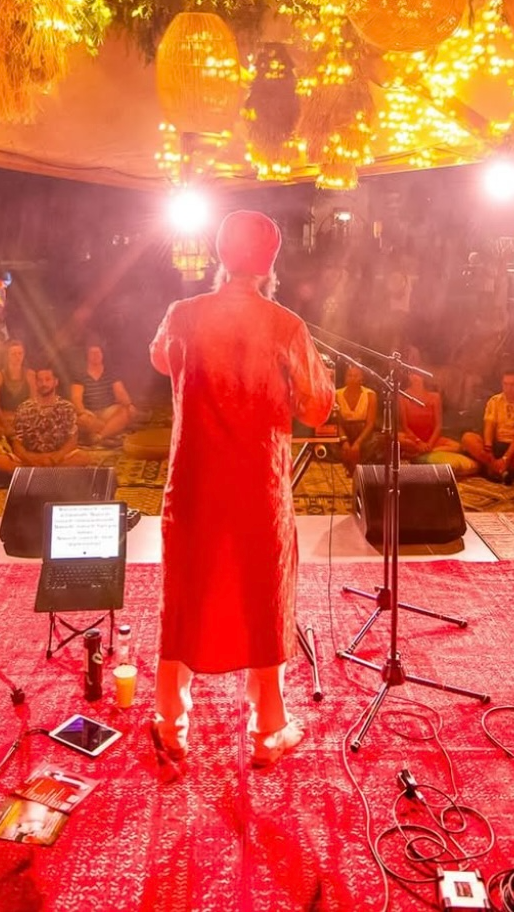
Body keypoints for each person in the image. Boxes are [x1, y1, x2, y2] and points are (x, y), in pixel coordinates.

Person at [149, 210, 334, 772]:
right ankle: (268, 730)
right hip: (258, 485)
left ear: (219, 257)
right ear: (270, 266)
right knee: (263, 592)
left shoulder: (183, 314)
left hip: (195, 482)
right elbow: (318, 408)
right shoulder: (286, 325)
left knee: (186, 591)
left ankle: (170, 724)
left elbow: (161, 359)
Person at [459, 369, 514, 482]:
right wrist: (488, 449)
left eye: (512, 385)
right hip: (495, 445)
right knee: (468, 438)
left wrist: (506, 458)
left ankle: (500, 469)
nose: (508, 388)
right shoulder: (495, 400)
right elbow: (489, 425)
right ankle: (497, 468)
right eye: (505, 384)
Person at [11, 367, 87, 467]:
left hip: (58, 456)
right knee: (2, 461)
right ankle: (42, 470)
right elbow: (17, 442)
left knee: (83, 458)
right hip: (32, 456)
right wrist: (29, 459)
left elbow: (72, 439)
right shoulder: (24, 408)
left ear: (56, 382)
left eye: (47, 379)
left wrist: (55, 458)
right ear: (36, 383)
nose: (44, 384)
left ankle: (45, 471)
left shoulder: (67, 407)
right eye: (40, 380)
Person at [71, 342, 139, 445]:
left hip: (108, 411)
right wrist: (82, 412)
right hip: (90, 413)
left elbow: (120, 392)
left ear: (102, 355)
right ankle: (111, 429)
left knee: (126, 412)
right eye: (92, 353)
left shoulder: (110, 372)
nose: (96, 356)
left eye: (98, 353)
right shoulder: (80, 374)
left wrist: (129, 405)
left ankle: (99, 436)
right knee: (79, 420)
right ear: (87, 356)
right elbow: (76, 397)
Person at [396, 361, 464, 462]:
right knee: (398, 439)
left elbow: (438, 425)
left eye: (418, 374)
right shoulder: (403, 396)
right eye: (412, 374)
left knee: (457, 446)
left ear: (423, 377)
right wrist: (419, 442)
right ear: (409, 377)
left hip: (430, 438)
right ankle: (419, 450)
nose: (415, 377)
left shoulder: (435, 397)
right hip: (413, 439)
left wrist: (429, 444)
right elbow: (405, 426)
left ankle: (422, 453)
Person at [335, 363, 378, 470]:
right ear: (345, 378)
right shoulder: (336, 394)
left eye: (356, 375)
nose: (352, 378)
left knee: (378, 442)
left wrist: (358, 443)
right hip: (344, 433)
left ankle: (359, 470)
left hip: (363, 434)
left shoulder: (370, 395)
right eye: (349, 375)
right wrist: (344, 441)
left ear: (362, 378)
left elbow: (370, 423)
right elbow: (337, 423)